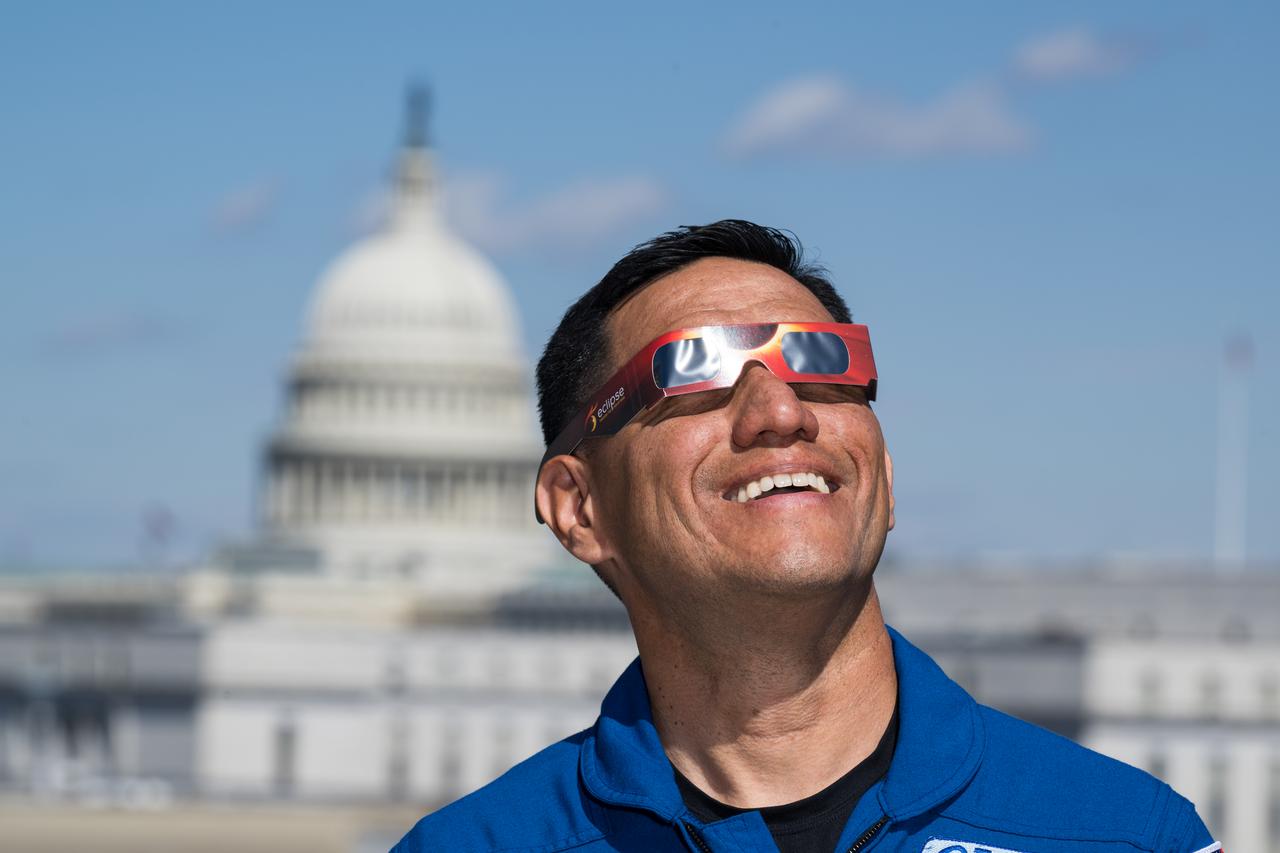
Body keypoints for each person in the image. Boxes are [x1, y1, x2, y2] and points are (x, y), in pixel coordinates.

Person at [393, 220, 1218, 853]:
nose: (781, 412)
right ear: (579, 507)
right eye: (696, 372)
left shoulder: (1128, 834)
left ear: (884, 474)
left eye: (822, 365)